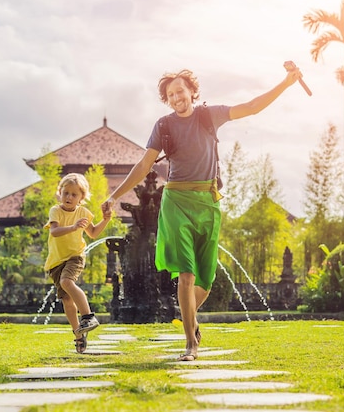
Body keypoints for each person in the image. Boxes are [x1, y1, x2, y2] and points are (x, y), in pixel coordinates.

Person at [102, 64, 303, 360]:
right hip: (176, 202)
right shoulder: (163, 126)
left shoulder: (210, 116)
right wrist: (114, 195)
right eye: (170, 94)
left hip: (209, 202)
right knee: (185, 274)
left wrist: (286, 82)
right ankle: (190, 343)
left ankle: (190, 319)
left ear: (192, 92)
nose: (176, 97)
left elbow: (251, 107)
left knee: (204, 282)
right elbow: (144, 165)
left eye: (180, 91)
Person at [45, 172, 112, 353]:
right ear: (60, 192)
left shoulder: (83, 213)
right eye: (66, 193)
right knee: (67, 300)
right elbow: (54, 232)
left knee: (67, 282)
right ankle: (78, 335)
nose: (69, 197)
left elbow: (93, 233)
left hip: (76, 256)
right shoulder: (55, 211)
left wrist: (105, 220)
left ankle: (88, 316)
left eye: (74, 194)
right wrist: (74, 227)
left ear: (82, 197)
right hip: (56, 261)